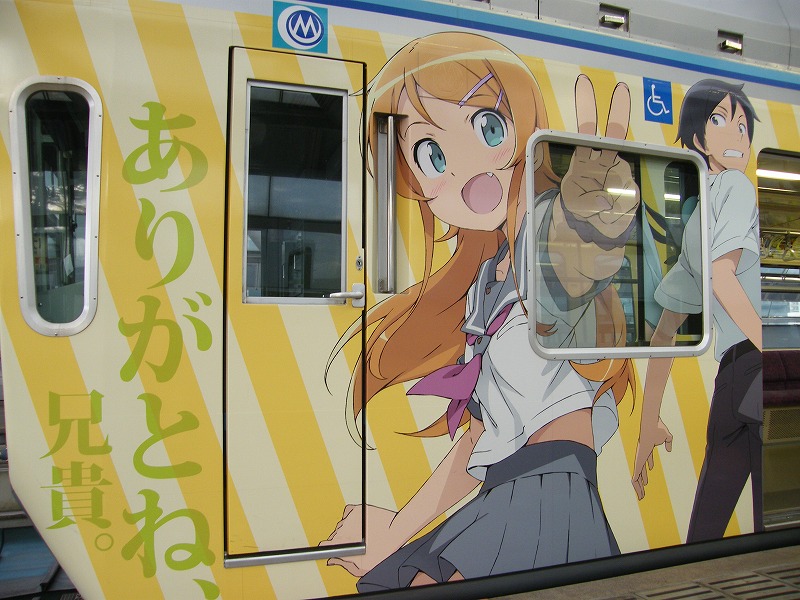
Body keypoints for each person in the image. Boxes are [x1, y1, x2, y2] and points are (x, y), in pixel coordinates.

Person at [322, 32, 639, 589]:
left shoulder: (546, 256)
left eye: (489, 128)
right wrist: (395, 531)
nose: (467, 174)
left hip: (550, 491)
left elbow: (583, 285)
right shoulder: (485, 288)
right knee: (388, 579)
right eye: (433, 156)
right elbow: (476, 442)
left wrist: (589, 222)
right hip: (509, 490)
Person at [632, 79, 763, 541]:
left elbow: (665, 332)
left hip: (730, 380)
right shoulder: (737, 187)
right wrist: (773, 351)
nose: (737, 135)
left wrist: (648, 422)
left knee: (706, 529)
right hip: (757, 368)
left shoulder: (696, 219)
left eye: (743, 126)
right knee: (768, 516)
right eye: (720, 120)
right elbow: (723, 278)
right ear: (698, 139)